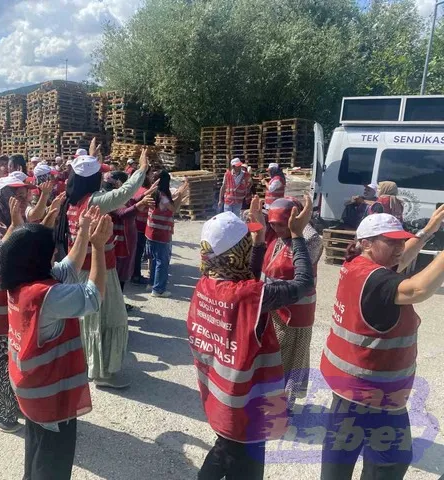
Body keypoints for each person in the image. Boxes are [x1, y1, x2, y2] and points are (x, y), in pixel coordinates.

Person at [188, 195, 315, 480]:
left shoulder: (206, 284)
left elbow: (245, 280)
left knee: (224, 447)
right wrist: (297, 236)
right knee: (242, 463)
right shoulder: (251, 296)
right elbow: (303, 284)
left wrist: (257, 242)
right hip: (248, 407)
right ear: (240, 252)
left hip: (221, 396)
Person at [320, 209, 444, 480]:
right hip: (377, 394)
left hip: (345, 385)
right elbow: (418, 290)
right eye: (392, 241)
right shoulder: (378, 281)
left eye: (402, 240)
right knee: (391, 462)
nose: (400, 247)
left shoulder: (356, 266)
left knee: (340, 452)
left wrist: (427, 232)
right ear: (366, 243)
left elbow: (401, 257)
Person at [2, 210, 110, 480]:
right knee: (53, 464)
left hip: (30, 389)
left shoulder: (20, 282)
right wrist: (99, 248)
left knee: (37, 448)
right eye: (51, 253)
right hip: (51, 395)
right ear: (39, 258)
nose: (55, 257)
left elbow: (68, 268)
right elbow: (94, 296)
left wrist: (84, 232)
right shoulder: (46, 296)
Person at [55, 139, 149, 388]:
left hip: (80, 267)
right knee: (108, 317)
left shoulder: (71, 199)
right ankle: (101, 373)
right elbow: (124, 193)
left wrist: (93, 154)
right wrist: (140, 170)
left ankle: (89, 364)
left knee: (87, 318)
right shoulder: (95, 200)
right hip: (100, 268)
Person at [0, 173, 42, 433]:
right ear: (3, 199)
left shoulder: (11, 223)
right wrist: (15, 227)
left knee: (12, 361)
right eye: (16, 197)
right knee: (1, 365)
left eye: (24, 196)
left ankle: (12, 404)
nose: (23, 201)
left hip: (10, 311)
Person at [261, 197, 323, 407]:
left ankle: (285, 404)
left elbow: (302, 272)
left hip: (296, 311)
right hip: (275, 306)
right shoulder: (279, 235)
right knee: (274, 353)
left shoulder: (310, 239)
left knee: (292, 357)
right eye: (272, 224)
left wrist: (297, 229)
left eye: (280, 224)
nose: (276, 228)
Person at [104, 171, 154, 310]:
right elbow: (124, 213)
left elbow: (131, 202)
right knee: (116, 278)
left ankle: (118, 304)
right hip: (118, 245)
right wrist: (141, 204)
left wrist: (145, 194)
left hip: (124, 244)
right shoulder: (110, 198)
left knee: (121, 277)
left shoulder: (120, 197)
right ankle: (115, 307)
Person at [145, 170, 186, 298]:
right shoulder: (163, 196)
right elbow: (174, 209)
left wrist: (178, 196)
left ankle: (151, 283)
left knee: (154, 259)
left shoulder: (153, 193)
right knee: (162, 262)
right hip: (161, 233)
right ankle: (158, 289)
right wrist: (180, 195)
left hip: (150, 232)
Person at [131, 169, 154, 285]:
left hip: (134, 225)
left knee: (134, 252)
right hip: (141, 227)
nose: (152, 176)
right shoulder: (146, 192)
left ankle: (132, 274)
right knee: (138, 253)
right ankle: (136, 276)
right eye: (150, 174)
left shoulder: (136, 189)